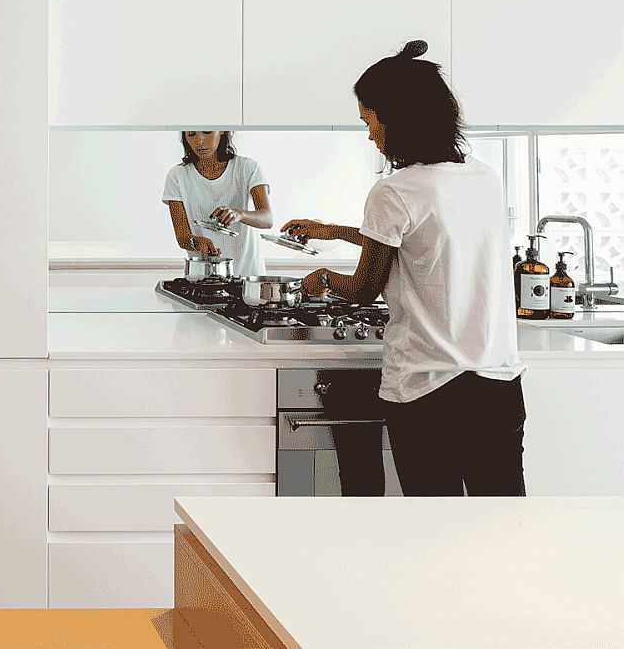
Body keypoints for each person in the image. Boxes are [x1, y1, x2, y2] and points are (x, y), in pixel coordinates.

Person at [283, 40, 526, 497]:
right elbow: (426, 243)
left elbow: (362, 287)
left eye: (368, 120)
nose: (369, 134)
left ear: (394, 117)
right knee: (503, 523)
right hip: (497, 385)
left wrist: (321, 281)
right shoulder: (484, 178)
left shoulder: (394, 190)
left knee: (433, 531)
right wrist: (332, 230)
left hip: (430, 389)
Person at [162, 131, 273, 278]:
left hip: (249, 278)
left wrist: (240, 214)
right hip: (204, 280)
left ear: (222, 131)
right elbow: (182, 237)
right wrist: (196, 243)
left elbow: (267, 218)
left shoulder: (247, 167)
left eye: (207, 132)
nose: (199, 141)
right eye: (191, 134)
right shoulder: (177, 176)